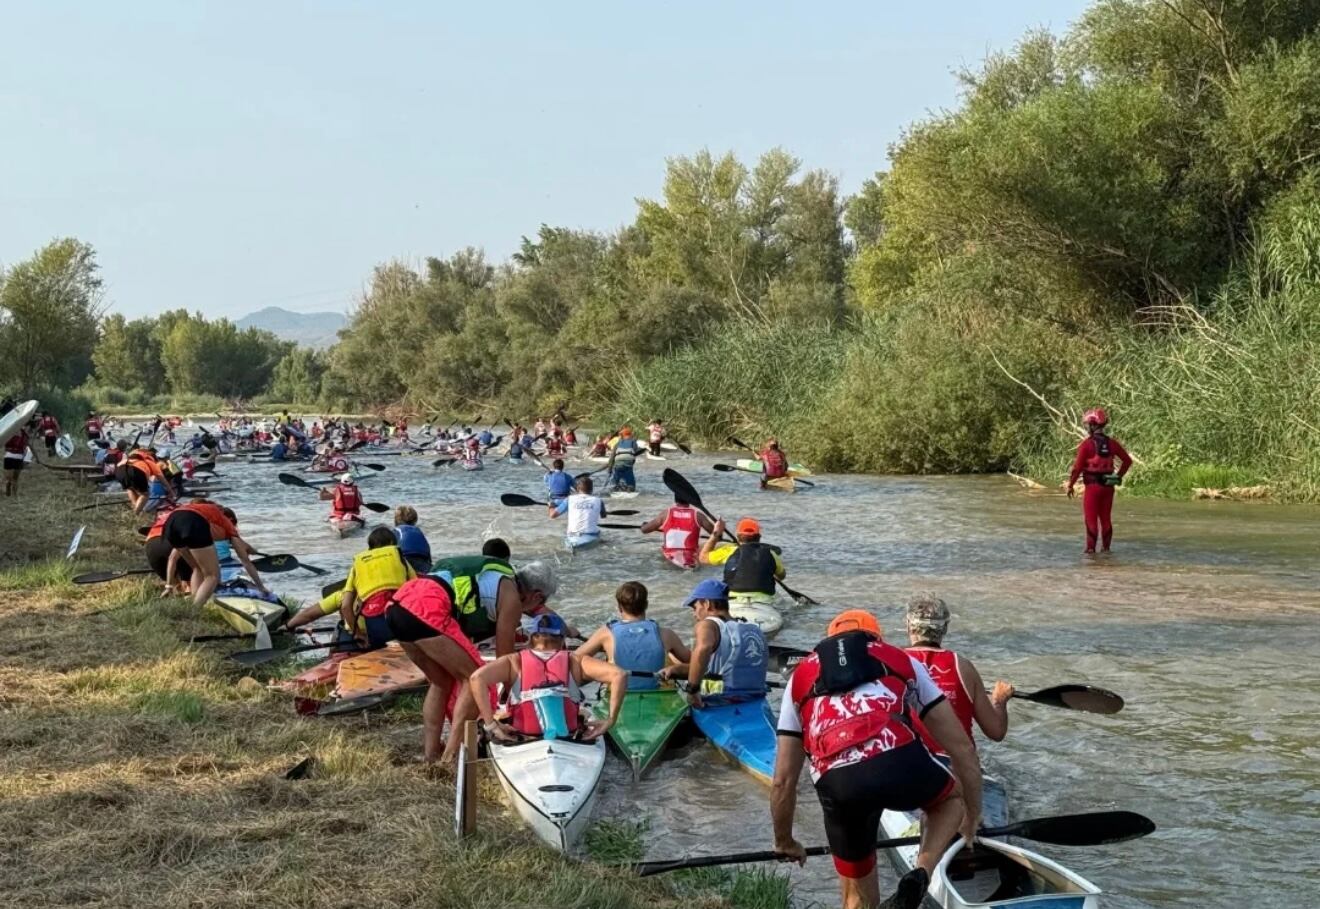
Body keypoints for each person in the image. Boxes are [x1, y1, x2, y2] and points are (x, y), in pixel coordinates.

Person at [771, 609, 983, 909]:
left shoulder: (800, 678)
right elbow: (962, 748)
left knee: (856, 898)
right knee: (951, 802)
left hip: (838, 783)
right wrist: (971, 817)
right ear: (875, 638)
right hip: (897, 762)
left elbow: (782, 781)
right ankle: (921, 873)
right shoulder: (898, 658)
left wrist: (784, 840)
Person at [470, 612, 625, 743]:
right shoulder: (575, 661)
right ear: (562, 639)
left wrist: (490, 724)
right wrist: (611, 720)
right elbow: (619, 674)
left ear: (532, 638)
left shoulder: (513, 661)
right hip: (567, 737)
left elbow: (476, 678)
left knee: (500, 714)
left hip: (523, 737)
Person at [903, 593, 1013, 759]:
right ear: (945, 628)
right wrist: (999, 700)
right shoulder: (963, 667)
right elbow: (996, 731)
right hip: (957, 766)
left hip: (909, 763)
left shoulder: (891, 663)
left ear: (909, 626)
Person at [657, 579, 768, 708]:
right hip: (755, 698)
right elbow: (721, 668)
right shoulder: (752, 628)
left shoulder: (707, 624)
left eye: (695, 607)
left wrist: (692, 690)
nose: (694, 614)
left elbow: (703, 648)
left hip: (722, 701)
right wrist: (676, 669)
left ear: (707, 604)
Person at [575, 581, 691, 689]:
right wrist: (677, 667)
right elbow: (694, 663)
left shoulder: (606, 633)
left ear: (620, 607)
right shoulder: (666, 634)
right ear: (646, 605)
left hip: (620, 690)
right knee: (671, 658)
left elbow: (574, 658)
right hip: (656, 689)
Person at [162, 498, 267, 607]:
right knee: (212, 576)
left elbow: (242, 545)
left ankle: (194, 601)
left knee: (197, 568)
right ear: (231, 519)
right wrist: (261, 587)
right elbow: (246, 562)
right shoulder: (227, 523)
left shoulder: (208, 513)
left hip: (171, 522)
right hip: (192, 522)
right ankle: (195, 610)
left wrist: (168, 585)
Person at [1066, 408, 1133, 554]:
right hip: (1108, 487)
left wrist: (1070, 485)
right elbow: (1127, 461)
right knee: (1106, 519)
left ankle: (1090, 552)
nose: (1086, 427)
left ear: (1092, 425)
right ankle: (1106, 550)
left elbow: (1077, 469)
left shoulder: (1086, 445)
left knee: (1091, 520)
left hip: (1092, 487)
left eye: (1087, 425)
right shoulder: (1113, 444)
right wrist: (1118, 477)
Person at [698, 517, 785, 604]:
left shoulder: (729, 551)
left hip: (733, 600)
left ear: (737, 536)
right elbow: (781, 576)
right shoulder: (771, 553)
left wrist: (715, 534)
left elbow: (703, 558)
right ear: (759, 537)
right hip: (764, 600)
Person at [640, 495, 715, 568]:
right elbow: (716, 534)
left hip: (670, 557)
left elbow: (644, 530)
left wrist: (644, 525)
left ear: (675, 500)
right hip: (692, 556)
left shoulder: (666, 513)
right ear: (689, 500)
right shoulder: (698, 515)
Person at [552, 475, 606, 546]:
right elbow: (603, 516)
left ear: (577, 488)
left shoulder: (569, 499)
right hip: (592, 534)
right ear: (592, 489)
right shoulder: (599, 501)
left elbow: (552, 515)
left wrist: (550, 506)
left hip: (572, 535)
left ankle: (572, 545)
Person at [393, 505, 433, 573]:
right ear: (415, 520)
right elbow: (427, 550)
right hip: (422, 561)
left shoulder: (395, 530)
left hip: (403, 559)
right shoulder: (417, 531)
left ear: (395, 521)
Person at [607, 426, 639, 491]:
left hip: (618, 464)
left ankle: (615, 486)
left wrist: (609, 469)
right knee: (630, 479)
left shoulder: (617, 444)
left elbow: (612, 457)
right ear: (630, 435)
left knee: (616, 477)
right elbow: (635, 452)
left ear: (622, 436)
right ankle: (630, 487)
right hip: (628, 464)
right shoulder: (633, 442)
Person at [4, 424, 31, 497]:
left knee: (12, 478)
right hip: (13, 456)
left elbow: (28, 446)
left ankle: (13, 494)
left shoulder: (22, 434)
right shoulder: (10, 432)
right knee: (12, 478)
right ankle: (11, 490)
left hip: (15, 457)